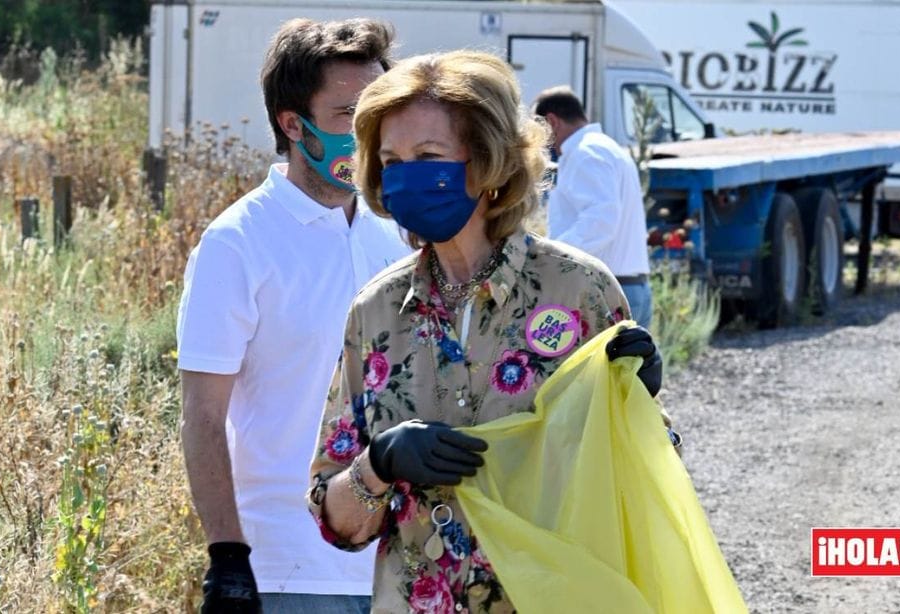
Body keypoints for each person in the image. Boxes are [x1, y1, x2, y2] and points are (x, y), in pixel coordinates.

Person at [306, 51, 667, 612]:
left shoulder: (578, 291)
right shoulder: (375, 312)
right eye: (391, 160)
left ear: (486, 161)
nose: (405, 177)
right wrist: (379, 464)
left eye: (428, 156)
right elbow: (338, 523)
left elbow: (648, 488)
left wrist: (638, 405)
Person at [176, 18, 410, 613]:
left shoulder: (395, 236)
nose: (368, 132)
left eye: (377, 112)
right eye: (348, 114)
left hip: (400, 569)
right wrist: (228, 556)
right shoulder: (237, 243)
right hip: (290, 571)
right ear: (291, 124)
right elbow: (203, 418)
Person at [534, 86, 654, 329]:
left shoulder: (585, 153)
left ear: (552, 122)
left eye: (540, 131)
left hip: (605, 292)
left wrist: (549, 257)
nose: (542, 142)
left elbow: (600, 221)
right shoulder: (605, 148)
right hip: (626, 286)